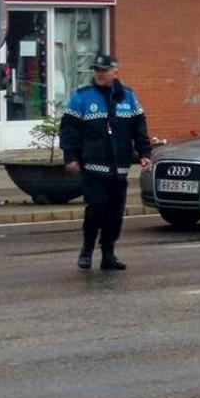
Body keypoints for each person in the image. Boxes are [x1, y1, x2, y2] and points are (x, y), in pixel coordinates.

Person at [61, 55, 152, 271]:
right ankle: (87, 249)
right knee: (96, 208)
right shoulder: (82, 98)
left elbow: (139, 129)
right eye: (97, 70)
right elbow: (68, 131)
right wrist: (70, 157)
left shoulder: (128, 97)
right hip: (93, 166)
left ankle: (108, 254)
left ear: (115, 72)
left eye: (104, 70)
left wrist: (144, 153)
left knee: (114, 212)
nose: (99, 74)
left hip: (119, 168)